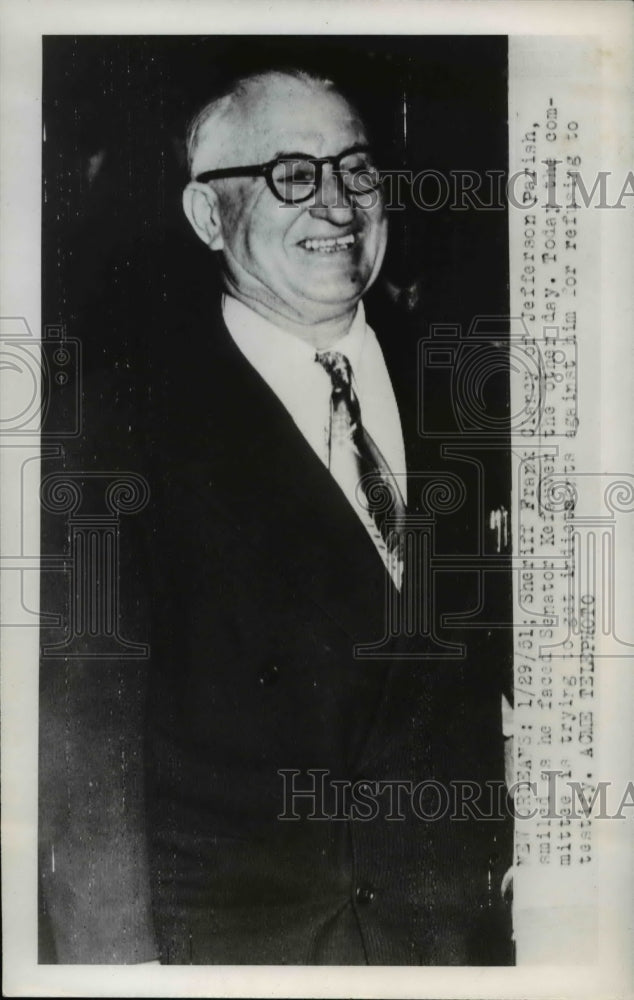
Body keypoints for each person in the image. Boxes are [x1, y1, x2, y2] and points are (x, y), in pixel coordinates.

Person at [141, 67, 513, 965]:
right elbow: (79, 754)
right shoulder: (130, 431)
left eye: (357, 170)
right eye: (293, 175)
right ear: (206, 215)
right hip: (247, 951)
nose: (340, 205)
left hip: (456, 944)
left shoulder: (474, 393)